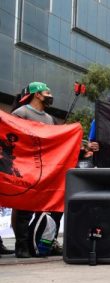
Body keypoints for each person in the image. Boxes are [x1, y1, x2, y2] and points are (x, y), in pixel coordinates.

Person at [9, 82, 56, 258]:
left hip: (42, 168)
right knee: (23, 208)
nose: (50, 95)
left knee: (39, 207)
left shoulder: (49, 119)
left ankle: (32, 242)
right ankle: (21, 245)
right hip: (24, 167)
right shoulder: (21, 113)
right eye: (47, 91)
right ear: (37, 94)